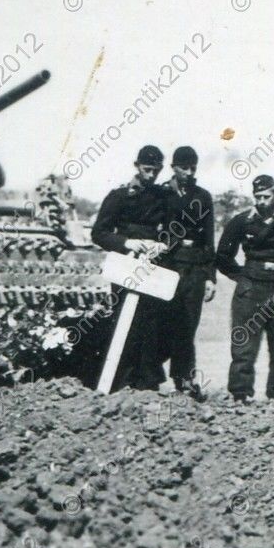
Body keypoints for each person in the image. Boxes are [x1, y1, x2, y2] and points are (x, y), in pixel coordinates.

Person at [216, 174, 274, 402]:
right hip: (251, 288)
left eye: (266, 196)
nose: (262, 201)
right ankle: (240, 393)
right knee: (244, 343)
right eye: (258, 197)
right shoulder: (242, 221)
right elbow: (223, 255)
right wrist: (242, 277)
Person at [90, 145, 169, 391]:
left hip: (153, 266)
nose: (151, 175)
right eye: (147, 169)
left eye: (156, 170)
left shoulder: (163, 197)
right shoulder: (120, 196)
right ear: (137, 166)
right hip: (126, 263)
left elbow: (173, 228)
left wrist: (162, 245)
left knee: (151, 323)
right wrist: (127, 243)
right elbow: (99, 233)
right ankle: (118, 380)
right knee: (123, 321)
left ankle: (146, 383)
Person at [157, 146, 216, 401]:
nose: (189, 173)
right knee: (162, 322)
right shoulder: (160, 194)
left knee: (188, 325)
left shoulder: (202, 196)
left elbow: (209, 238)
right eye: (184, 167)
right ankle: (152, 378)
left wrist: (210, 277)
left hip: (194, 267)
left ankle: (184, 379)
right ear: (174, 168)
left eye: (193, 168)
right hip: (167, 266)